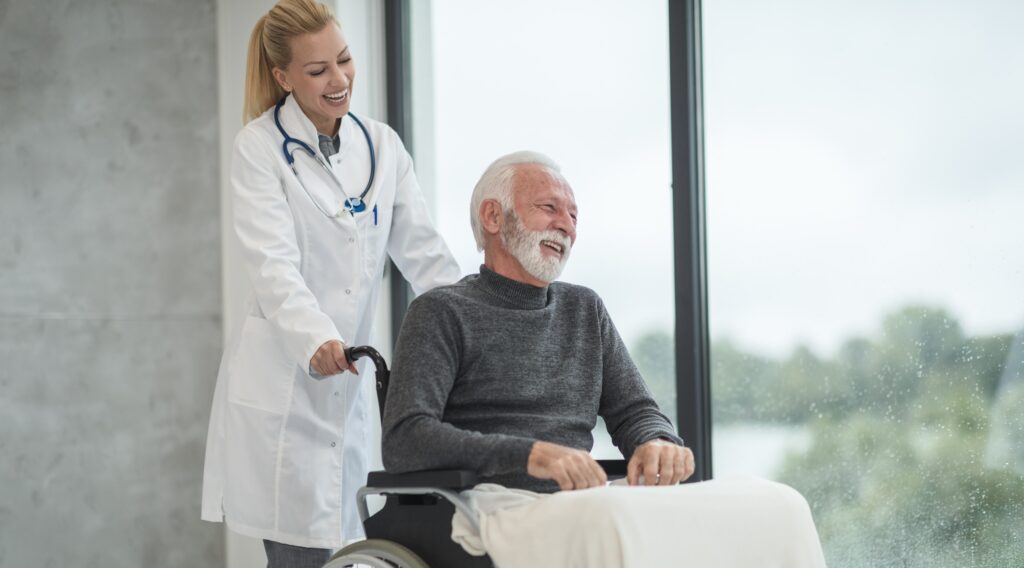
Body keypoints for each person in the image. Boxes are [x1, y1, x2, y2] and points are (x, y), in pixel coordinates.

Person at [381, 151, 827, 567]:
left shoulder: (584, 309)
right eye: (550, 208)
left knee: (777, 504)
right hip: (491, 505)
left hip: (581, 500)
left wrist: (657, 442)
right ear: (493, 216)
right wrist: (529, 454)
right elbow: (405, 438)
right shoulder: (441, 311)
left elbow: (636, 412)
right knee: (613, 517)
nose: (567, 226)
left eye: (573, 216)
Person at [200, 0, 460, 565]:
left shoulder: (382, 147)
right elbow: (273, 264)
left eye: (344, 60)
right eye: (317, 70)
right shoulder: (260, 148)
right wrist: (314, 338)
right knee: (300, 556)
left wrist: (475, 320)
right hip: (288, 388)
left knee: (356, 551)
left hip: (350, 392)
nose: (339, 79)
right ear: (283, 77)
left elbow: (425, 255)